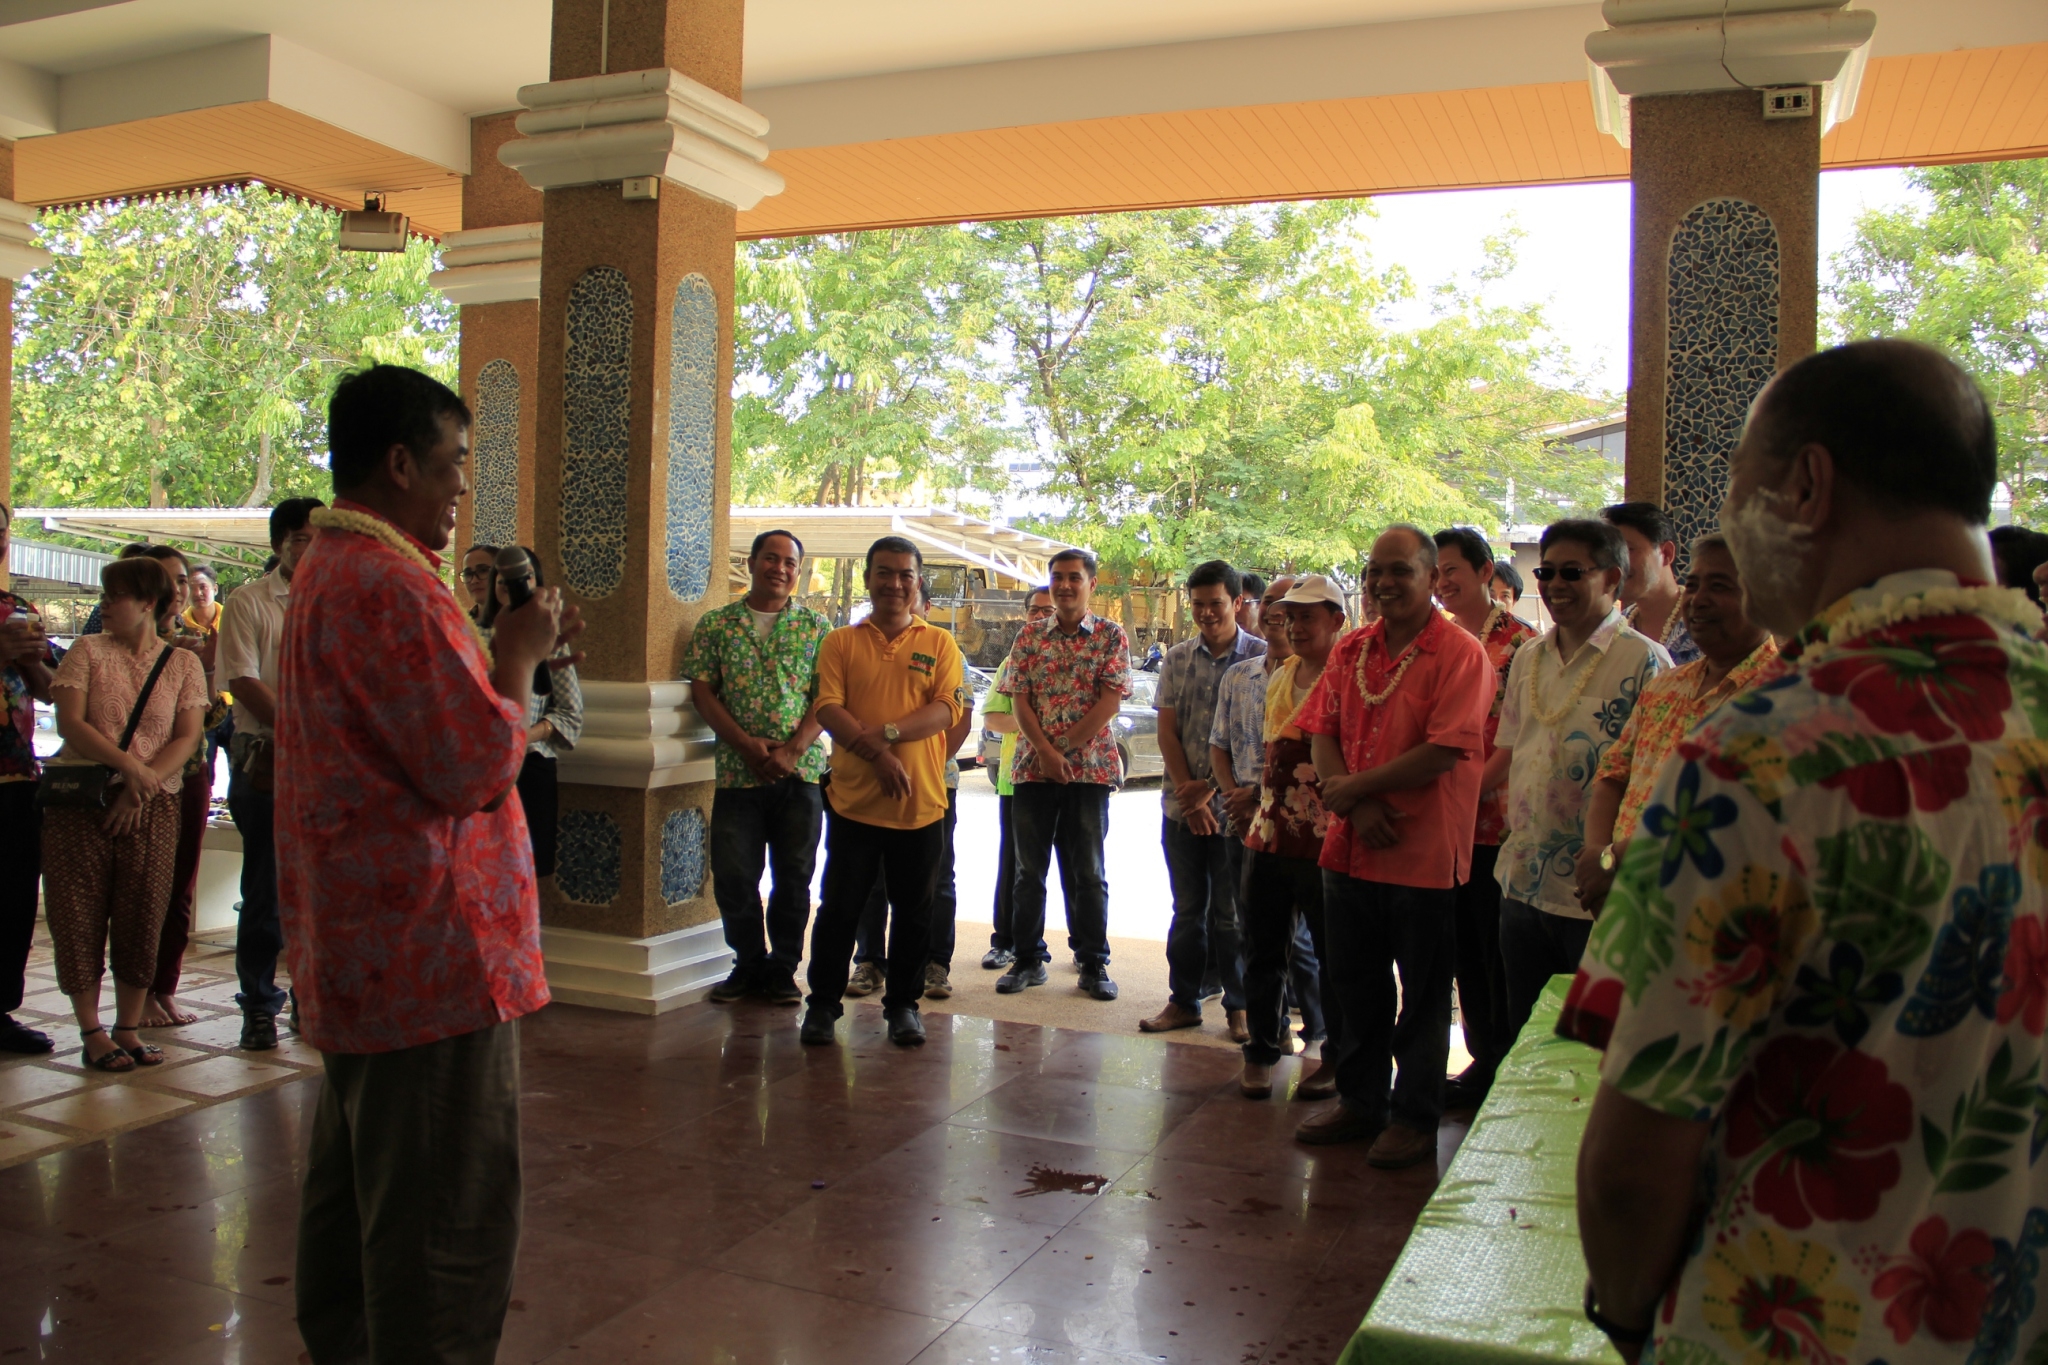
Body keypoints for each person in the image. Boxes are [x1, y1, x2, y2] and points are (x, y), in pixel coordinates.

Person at [1560, 340, 2048, 1364]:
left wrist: (1626, 1314)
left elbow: (1632, 1163)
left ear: (1806, 487)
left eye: (1738, 492)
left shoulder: (1758, 757)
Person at [283, 364, 578, 1365]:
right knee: (442, 1229)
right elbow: (472, 768)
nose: (461, 491)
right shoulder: (392, 584)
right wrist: (519, 656)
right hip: (431, 957)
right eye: (454, 466)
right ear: (401, 463)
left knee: (361, 1202)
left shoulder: (329, 566)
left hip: (364, 950)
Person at [1293, 528, 1493, 1163]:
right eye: (1374, 571)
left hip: (1423, 852)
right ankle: (1361, 1102)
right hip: (1351, 845)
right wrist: (1354, 801)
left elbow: (1446, 749)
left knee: (1425, 996)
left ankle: (1414, 1117)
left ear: (1433, 579)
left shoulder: (1461, 653)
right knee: (1356, 986)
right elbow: (1321, 731)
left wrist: (1355, 790)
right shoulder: (1352, 648)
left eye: (1399, 571)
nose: (1383, 583)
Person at [1491, 519, 1669, 1042]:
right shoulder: (1528, 655)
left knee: (1591, 1049)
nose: (1554, 585)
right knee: (1525, 1043)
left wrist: (1612, 862)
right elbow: (1514, 753)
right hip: (1522, 883)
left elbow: (1657, 783)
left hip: (1598, 894)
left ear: (1612, 578)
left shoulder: (1646, 661)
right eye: (1546, 573)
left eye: (1572, 573)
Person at [800, 536, 966, 1048]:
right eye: (884, 573)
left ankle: (903, 1007)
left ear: (918, 582)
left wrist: (887, 735)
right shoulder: (840, 642)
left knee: (914, 914)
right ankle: (822, 1006)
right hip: (853, 804)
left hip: (921, 805)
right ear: (868, 578)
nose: (894, 583)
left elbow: (947, 709)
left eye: (905, 574)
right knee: (839, 909)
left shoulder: (940, 643)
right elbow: (828, 707)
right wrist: (880, 757)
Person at [43, 556, 207, 1072]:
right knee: (77, 913)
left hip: (152, 806)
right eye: (105, 595)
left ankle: (128, 1028)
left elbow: (187, 736)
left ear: (147, 603)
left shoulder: (182, 663)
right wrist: (130, 769)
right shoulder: (87, 651)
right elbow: (71, 723)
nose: (105, 605)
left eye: (115, 596)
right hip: (83, 805)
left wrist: (142, 785)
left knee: (144, 913)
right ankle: (92, 1030)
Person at [1571, 533, 1781, 918]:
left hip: (1710, 912)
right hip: (1624, 901)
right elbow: (1613, 773)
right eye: (1694, 585)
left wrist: (1612, 860)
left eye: (1720, 586)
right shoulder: (1666, 685)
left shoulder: (1784, 697)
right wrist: (1597, 856)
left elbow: (1728, 816)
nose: (1698, 599)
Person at [682, 528, 831, 1005]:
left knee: (794, 877)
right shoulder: (717, 625)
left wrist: (791, 751)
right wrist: (746, 746)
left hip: (800, 775)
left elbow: (828, 698)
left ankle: (783, 968)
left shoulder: (816, 628)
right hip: (737, 772)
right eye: (771, 558)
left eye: (790, 563)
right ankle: (747, 964)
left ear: (799, 571)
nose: (780, 569)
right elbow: (702, 690)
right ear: (751, 563)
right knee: (734, 875)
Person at [1225, 574, 1349, 1099]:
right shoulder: (1281, 675)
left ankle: (1338, 1057)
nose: (1294, 626)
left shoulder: (1350, 676)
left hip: (1325, 835)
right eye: (1289, 616)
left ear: (1336, 620)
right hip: (1269, 830)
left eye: (1307, 617)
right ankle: (1261, 1050)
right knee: (1261, 950)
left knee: (1333, 954)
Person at [1434, 526, 1538, 1111]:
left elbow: (1516, 739)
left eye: (1452, 569)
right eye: (1436, 572)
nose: (1443, 582)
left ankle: (1505, 1062)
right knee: (1463, 951)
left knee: (1497, 949)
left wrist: (1468, 792)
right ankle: (1480, 1058)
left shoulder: (1522, 645)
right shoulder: (1439, 641)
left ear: (1484, 572)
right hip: (1446, 824)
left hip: (1496, 823)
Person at [997, 547, 1132, 998]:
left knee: (1088, 871)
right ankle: (1027, 959)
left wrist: (1062, 749)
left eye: (1075, 577)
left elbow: (1110, 703)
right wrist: (1044, 751)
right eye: (1057, 577)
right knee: (1027, 871)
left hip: (1089, 772)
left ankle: (1093, 962)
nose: (1065, 585)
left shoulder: (1111, 636)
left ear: (1092, 584)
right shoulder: (1029, 636)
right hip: (1032, 770)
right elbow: (1018, 698)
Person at [217, 496, 322, 1050]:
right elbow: (243, 681)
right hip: (269, 760)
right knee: (266, 889)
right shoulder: (250, 602)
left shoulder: (338, 602)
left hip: (327, 768)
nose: (315, 549)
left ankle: (311, 999)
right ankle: (258, 1005)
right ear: (280, 543)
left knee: (318, 890)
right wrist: (307, 732)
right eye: (304, 539)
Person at [1143, 560, 1265, 1035]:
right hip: (1181, 809)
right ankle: (1184, 1001)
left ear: (1237, 602)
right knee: (1188, 910)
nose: (1207, 613)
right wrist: (1189, 798)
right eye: (1198, 604)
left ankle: (1239, 1006)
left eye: (1216, 603)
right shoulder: (1176, 658)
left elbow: (1254, 739)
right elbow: (1167, 731)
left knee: (1232, 915)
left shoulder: (1260, 657)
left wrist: (1211, 789)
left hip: (1236, 810)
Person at [848, 575, 973, 1001]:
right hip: (871, 783)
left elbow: (959, 718)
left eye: (914, 598)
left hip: (934, 784)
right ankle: (870, 961)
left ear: (926, 606)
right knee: (872, 879)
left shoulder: (944, 648)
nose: (903, 603)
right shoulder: (856, 644)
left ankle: (934, 964)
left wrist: (927, 767)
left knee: (935, 878)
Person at [134, 544, 216, 1030]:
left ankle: (164, 987)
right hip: (139, 776)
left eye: (182, 579)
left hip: (190, 772)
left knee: (181, 884)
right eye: (167, 580)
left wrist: (205, 670)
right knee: (142, 888)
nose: (178, 590)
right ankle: (137, 993)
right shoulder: (117, 640)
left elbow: (209, 717)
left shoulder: (194, 641)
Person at [480, 547, 584, 881]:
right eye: (501, 577)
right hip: (483, 766)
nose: (509, 584)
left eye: (523, 577)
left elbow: (570, 714)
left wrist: (524, 735)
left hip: (531, 767)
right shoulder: (471, 635)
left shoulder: (547, 638)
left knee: (525, 875)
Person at [0, 501, 57, 1054]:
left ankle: (0, 1011)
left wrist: (33, 659)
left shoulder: (15, 608)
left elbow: (48, 691)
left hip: (17, 776)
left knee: (13, 898)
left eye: (2, 531)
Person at [980, 587, 1058, 971]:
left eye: (1048, 610)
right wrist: (1033, 726)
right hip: (1018, 778)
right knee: (1014, 866)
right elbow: (993, 718)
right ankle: (1005, 941)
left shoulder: (1080, 656)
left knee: (1081, 870)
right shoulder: (1011, 662)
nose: (1040, 617)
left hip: (1071, 779)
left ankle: (1088, 952)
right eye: (1034, 611)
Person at [1603, 502, 1700, 665]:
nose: (1615, 564)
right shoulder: (1616, 628)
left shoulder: (1704, 623)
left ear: (1666, 553)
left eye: (1627, 550)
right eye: (1608, 554)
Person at [184, 563, 233, 784]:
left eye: (202, 587)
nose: (197, 593)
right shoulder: (180, 627)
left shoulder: (232, 618)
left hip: (234, 705)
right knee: (204, 774)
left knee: (241, 771)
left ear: (214, 588)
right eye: (191, 587)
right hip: (201, 709)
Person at [461, 543, 498, 621]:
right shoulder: (460, 623)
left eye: (483, 570)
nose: (474, 581)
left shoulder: (520, 621)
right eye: (468, 574)